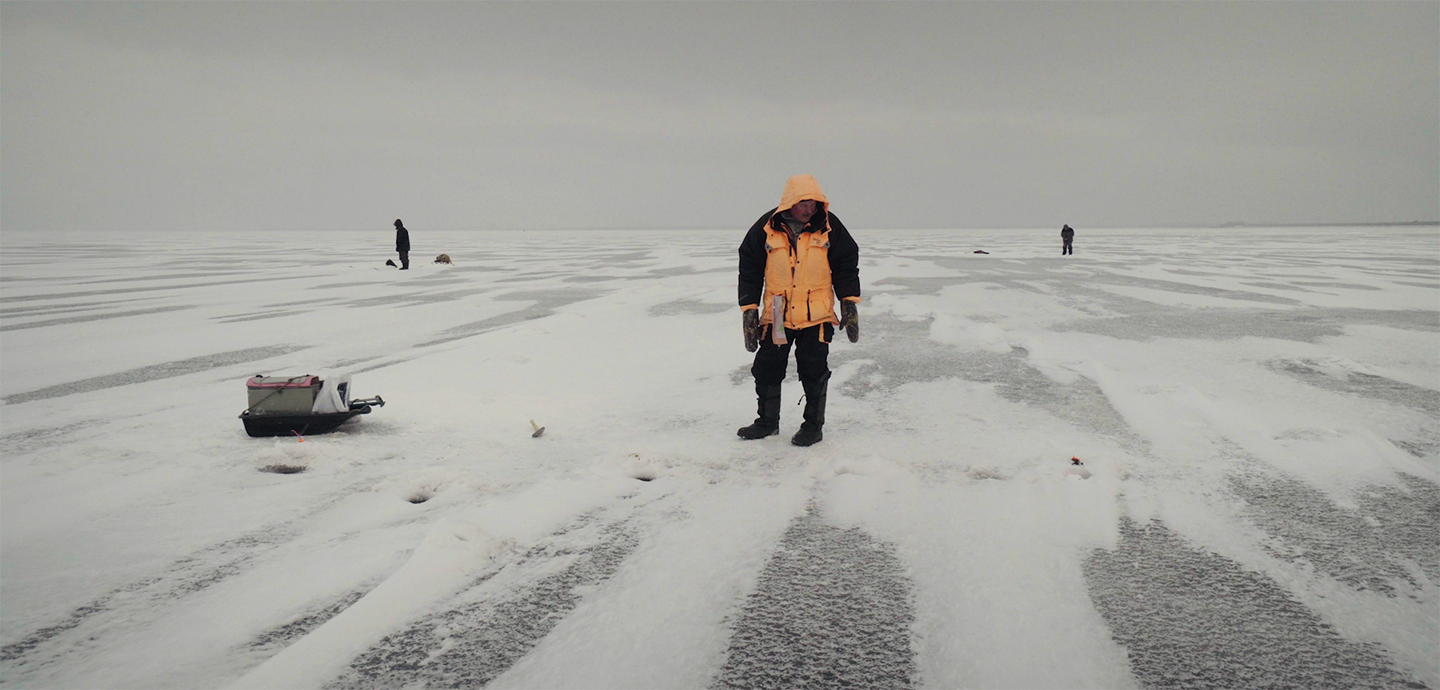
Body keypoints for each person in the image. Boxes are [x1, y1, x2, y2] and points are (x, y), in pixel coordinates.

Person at [736, 174, 861, 446]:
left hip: (816, 314)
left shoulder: (829, 227)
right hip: (778, 313)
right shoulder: (766, 227)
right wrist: (749, 308)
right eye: (804, 203)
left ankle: (812, 427)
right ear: (790, 202)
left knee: (813, 369)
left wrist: (848, 302)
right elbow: (750, 267)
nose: (809, 209)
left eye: (814, 204)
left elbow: (846, 263)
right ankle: (767, 422)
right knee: (767, 367)